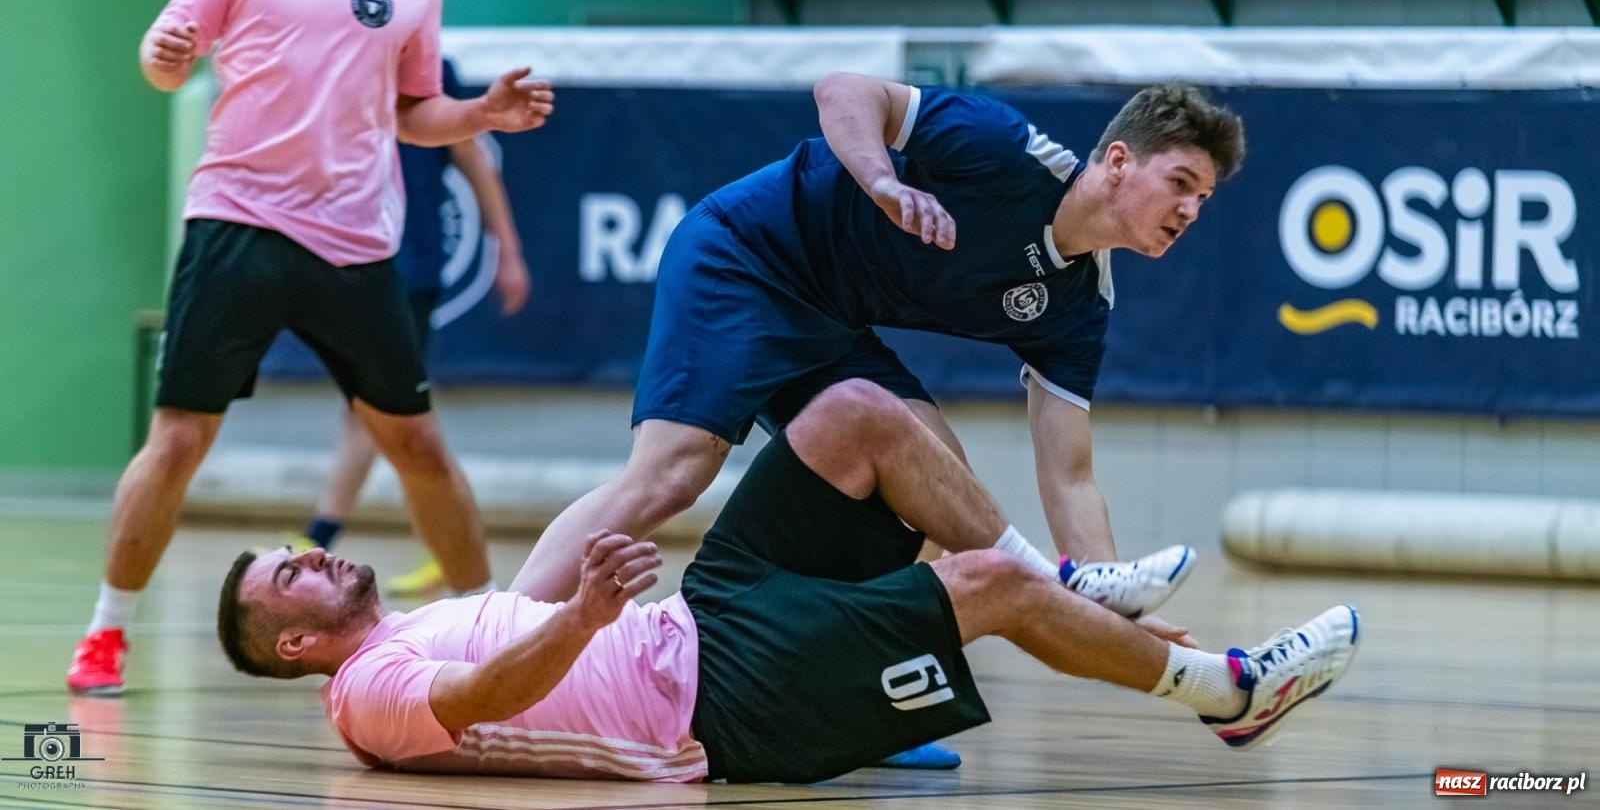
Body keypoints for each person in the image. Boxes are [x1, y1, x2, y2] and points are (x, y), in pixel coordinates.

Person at [215, 380, 1360, 782]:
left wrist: (633, 501)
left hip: (704, 619)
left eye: (296, 545)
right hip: (725, 704)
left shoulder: (419, 616)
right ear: (296, 647)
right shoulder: (364, 694)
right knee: (983, 598)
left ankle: (1070, 575)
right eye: (288, 575)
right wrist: (582, 615)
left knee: (857, 416)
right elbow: (484, 700)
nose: (310, 551)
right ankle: (1227, 691)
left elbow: (553, 575)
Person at [68, 0, 554, 696]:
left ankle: (492, 625)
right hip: (238, 221)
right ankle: (106, 632)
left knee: (416, 442)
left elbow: (417, 110)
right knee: (178, 437)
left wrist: (480, 112)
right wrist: (161, 55)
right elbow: (166, 63)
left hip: (355, 239)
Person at [514, 76, 1245, 614]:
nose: (1189, 210)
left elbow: (1071, 475)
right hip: (746, 256)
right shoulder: (1002, 149)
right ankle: (490, 634)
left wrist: (1109, 596)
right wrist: (881, 180)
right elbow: (842, 90)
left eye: (1204, 200)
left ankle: (843, 681)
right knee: (671, 476)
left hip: (830, 320)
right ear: (1118, 161)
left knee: (938, 487)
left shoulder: (1082, 306)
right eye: (1180, 182)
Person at [294, 62, 532, 597]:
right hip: (352, 261)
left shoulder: (430, 69)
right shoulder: (338, 58)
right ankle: (429, 545)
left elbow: (472, 157)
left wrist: (508, 251)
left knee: (392, 415)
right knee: (371, 412)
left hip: (408, 268)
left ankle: (332, 536)